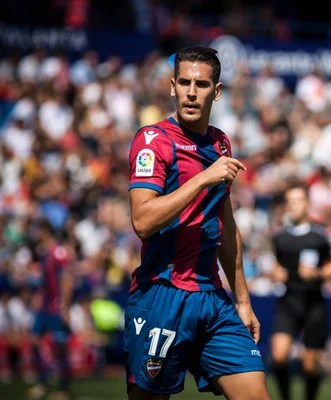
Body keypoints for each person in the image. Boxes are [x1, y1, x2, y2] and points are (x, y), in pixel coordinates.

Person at [124, 46, 270, 400]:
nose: (192, 92)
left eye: (201, 84)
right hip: (161, 295)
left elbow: (226, 223)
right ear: (172, 86)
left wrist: (243, 300)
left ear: (216, 91)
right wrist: (203, 178)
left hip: (212, 299)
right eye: (184, 83)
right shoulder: (153, 141)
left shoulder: (221, 144)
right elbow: (143, 221)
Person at [270, 181, 331, 400]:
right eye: (289, 202)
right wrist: (275, 272)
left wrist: (319, 274)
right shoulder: (280, 237)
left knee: (310, 366)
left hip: (314, 304)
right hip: (289, 301)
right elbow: (275, 264)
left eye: (297, 201)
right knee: (279, 357)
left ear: (307, 204)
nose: (293, 206)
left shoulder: (320, 236)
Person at [26, 221, 74, 400]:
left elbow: (66, 279)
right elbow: (45, 281)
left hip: (56, 305)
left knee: (60, 346)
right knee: (34, 340)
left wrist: (64, 306)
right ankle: (43, 381)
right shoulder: (43, 253)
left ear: (44, 231)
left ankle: (63, 388)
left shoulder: (58, 252)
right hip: (45, 306)